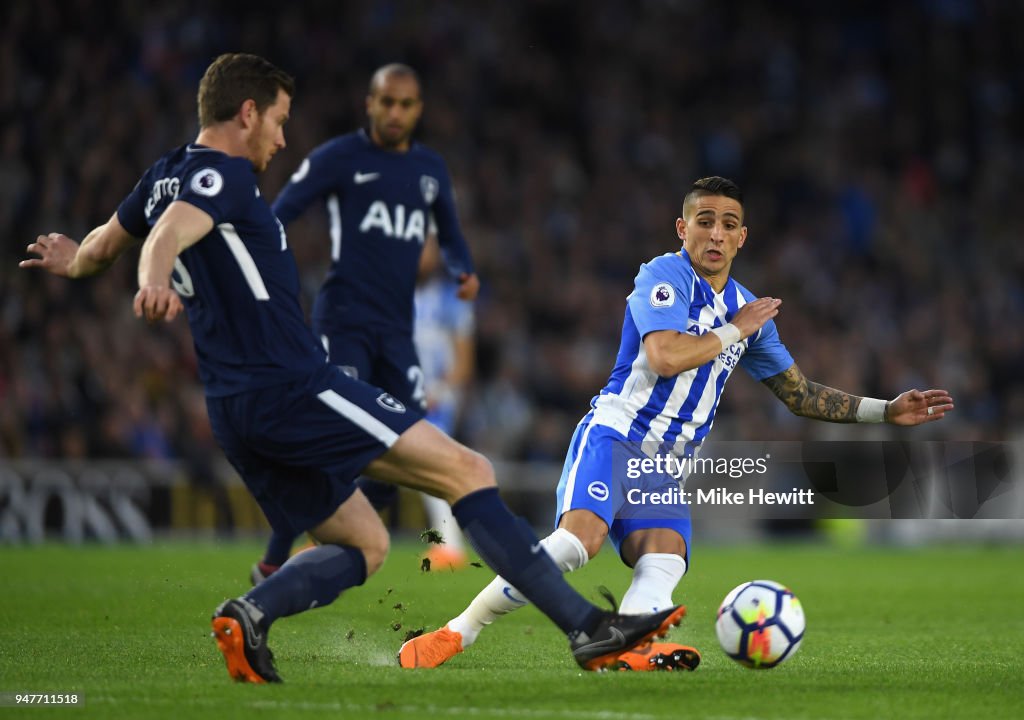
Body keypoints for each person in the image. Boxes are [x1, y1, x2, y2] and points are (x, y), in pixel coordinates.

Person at [18, 52, 684, 682]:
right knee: (467, 470)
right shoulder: (220, 174)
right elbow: (162, 240)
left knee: (364, 542)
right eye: (278, 120)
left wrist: (72, 260)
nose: (281, 139)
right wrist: (154, 281)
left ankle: (249, 615)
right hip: (292, 386)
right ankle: (585, 627)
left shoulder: (161, 173)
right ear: (246, 113)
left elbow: (102, 246)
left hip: (232, 409)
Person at [398, 176, 955, 672]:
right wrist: (736, 330)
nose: (715, 234)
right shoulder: (665, 277)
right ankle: (455, 633)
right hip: (616, 435)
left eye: (728, 225)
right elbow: (664, 356)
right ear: (682, 228)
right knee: (575, 545)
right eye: (705, 221)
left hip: (664, 464)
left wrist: (887, 410)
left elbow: (801, 395)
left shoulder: (745, 311)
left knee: (664, 557)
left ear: (742, 238)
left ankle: (626, 649)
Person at [249, 63, 480, 583]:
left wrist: (464, 269)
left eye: (406, 104)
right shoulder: (340, 158)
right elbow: (281, 212)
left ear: (419, 109)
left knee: (412, 440)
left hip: (395, 331)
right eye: (386, 102)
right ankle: (275, 554)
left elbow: (450, 231)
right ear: (369, 104)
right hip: (345, 319)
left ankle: (339, 527)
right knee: (335, 430)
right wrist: (255, 264)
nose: (395, 112)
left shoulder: (429, 170)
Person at [413, 234, 476, 569]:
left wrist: (438, 391)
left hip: (436, 398)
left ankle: (451, 545)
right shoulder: (395, 296)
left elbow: (464, 360)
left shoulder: (452, 299)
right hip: (401, 394)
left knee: (432, 467)